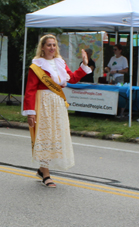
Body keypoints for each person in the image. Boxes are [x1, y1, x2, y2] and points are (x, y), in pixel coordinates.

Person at [23, 34, 91, 188]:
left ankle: (42, 169)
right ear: (42, 47)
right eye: (48, 45)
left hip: (58, 103)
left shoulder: (60, 62)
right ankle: (46, 174)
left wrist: (84, 65)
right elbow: (30, 90)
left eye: (54, 45)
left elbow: (72, 78)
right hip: (43, 104)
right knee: (45, 137)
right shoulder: (37, 65)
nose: (52, 48)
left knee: (56, 136)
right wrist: (30, 111)